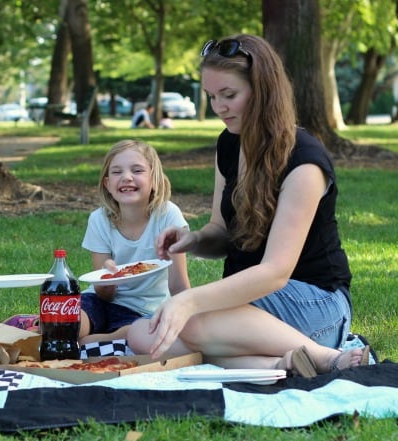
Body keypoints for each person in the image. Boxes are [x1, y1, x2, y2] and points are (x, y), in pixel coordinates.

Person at [126, 34, 369, 375]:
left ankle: (324, 355)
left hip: (315, 303)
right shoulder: (228, 144)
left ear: (263, 91)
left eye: (229, 95)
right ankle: (281, 363)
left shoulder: (305, 161)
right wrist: (193, 240)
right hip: (250, 304)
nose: (219, 107)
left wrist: (190, 300)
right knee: (142, 336)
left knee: (187, 324)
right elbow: (220, 232)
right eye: (212, 96)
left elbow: (275, 272)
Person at [79, 140, 190, 344]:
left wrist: (187, 315)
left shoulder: (168, 216)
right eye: (117, 172)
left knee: (139, 333)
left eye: (137, 170)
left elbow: (179, 286)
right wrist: (107, 280)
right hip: (99, 303)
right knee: (69, 321)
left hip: (143, 311)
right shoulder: (99, 219)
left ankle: (95, 342)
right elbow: (102, 295)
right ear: (107, 184)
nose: (126, 177)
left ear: (154, 180)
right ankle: (74, 335)